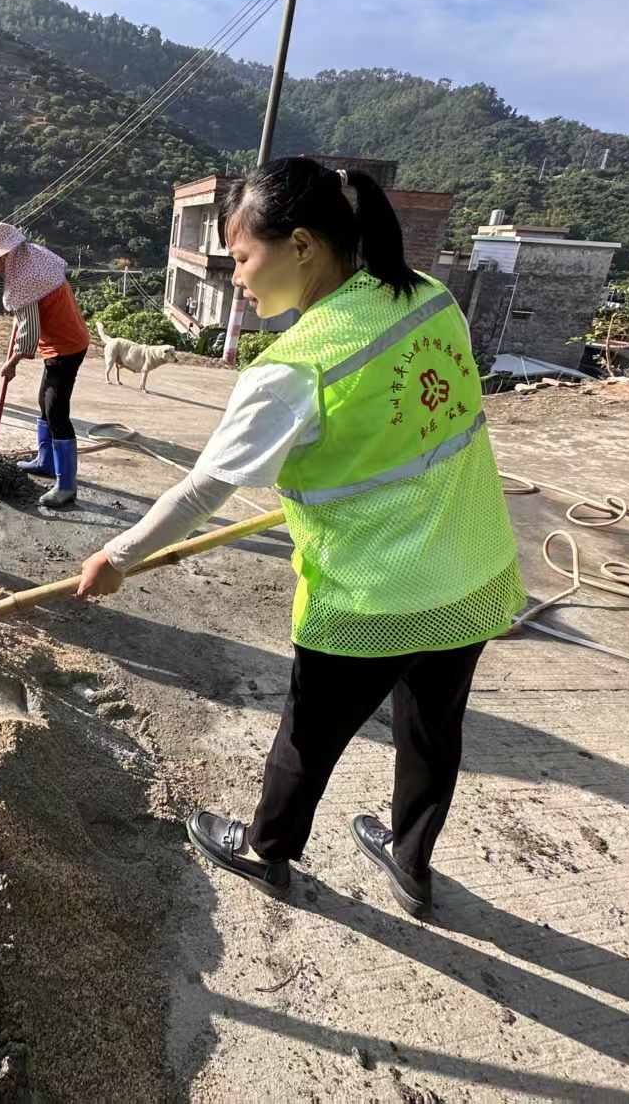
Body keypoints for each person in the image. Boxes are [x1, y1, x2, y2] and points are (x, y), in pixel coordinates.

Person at [76, 157, 525, 914]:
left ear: (304, 244)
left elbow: (204, 488)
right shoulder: (432, 299)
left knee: (306, 738)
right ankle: (413, 861)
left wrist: (117, 557)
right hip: (471, 571)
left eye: (246, 256)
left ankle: (266, 849)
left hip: (371, 596)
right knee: (432, 733)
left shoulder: (295, 366)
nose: (238, 277)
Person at [0, 222, 91, 508]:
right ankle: (46, 461)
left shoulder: (23, 281)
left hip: (65, 347)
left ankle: (67, 486)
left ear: (9, 254)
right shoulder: (34, 256)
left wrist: (12, 362)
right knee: (44, 402)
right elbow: (31, 314)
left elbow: (29, 334)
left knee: (57, 411)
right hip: (64, 341)